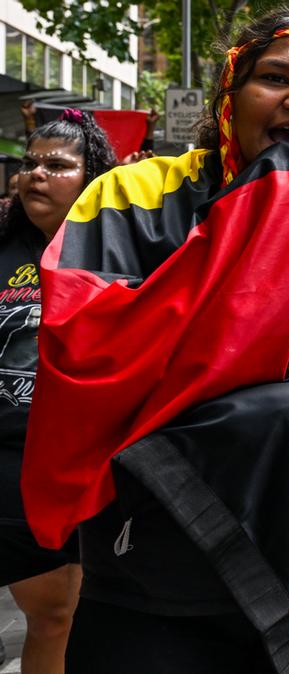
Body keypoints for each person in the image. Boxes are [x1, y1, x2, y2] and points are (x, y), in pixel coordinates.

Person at [21, 9, 289, 672]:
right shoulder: (131, 197)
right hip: (154, 591)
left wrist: (259, 416)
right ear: (229, 92)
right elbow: (84, 359)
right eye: (275, 77)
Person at [0, 112, 115, 674]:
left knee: (58, 618)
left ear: (93, 176)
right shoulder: (3, 246)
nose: (36, 175)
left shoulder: (119, 251)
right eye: (30, 164)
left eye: (57, 165)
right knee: (50, 613)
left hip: (74, 472)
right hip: (3, 465)